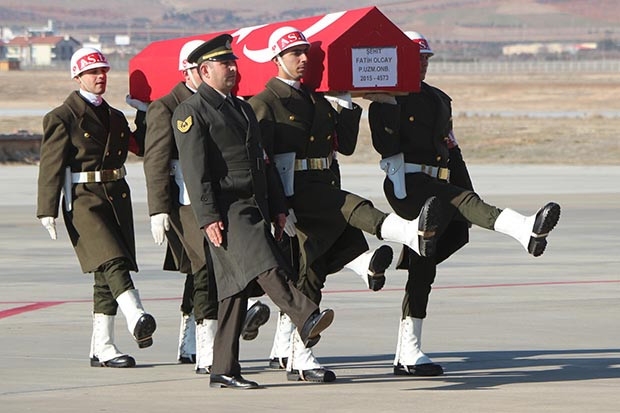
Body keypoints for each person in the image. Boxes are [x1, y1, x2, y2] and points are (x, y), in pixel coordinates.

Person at [248, 26, 443, 383]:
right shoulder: (264, 103)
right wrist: (276, 207)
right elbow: (260, 163)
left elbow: (348, 146)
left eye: (306, 53)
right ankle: (407, 233)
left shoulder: (316, 99)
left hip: (321, 184)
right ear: (277, 60)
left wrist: (347, 103)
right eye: (295, 54)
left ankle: (299, 357)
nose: (303, 59)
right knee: (352, 207)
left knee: (312, 272)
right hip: (294, 195)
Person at [366, 31, 561, 377]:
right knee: (452, 209)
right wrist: (389, 104)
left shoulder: (439, 99)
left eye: (426, 57)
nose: (423, 63)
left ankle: (408, 352)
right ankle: (523, 228)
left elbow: (451, 150)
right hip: (406, 184)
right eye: (416, 58)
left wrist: (472, 198)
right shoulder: (386, 100)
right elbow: (385, 146)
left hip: (439, 181)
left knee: (428, 262)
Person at [172, 34, 335, 389]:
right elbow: (195, 171)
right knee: (266, 262)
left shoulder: (241, 107)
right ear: (204, 70)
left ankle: (223, 368)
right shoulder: (192, 112)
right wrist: (207, 217)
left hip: (255, 204)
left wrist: (278, 207)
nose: (232, 69)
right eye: (224, 64)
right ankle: (305, 316)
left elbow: (264, 163)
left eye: (233, 63)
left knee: (233, 292)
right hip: (226, 210)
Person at [140, 39, 271, 373]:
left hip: (218, 199)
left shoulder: (223, 104)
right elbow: (155, 160)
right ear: (193, 71)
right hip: (186, 202)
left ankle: (194, 345)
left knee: (209, 272)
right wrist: (158, 209)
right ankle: (209, 352)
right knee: (205, 272)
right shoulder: (169, 106)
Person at [36, 47, 156, 368]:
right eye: (93, 72)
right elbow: (50, 165)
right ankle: (137, 315)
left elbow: (140, 146)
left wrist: (143, 112)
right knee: (112, 259)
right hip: (83, 198)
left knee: (105, 276)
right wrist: (46, 209)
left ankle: (102, 347)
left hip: (116, 196)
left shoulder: (115, 116)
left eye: (103, 71)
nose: (100, 76)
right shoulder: (62, 117)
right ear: (77, 77)